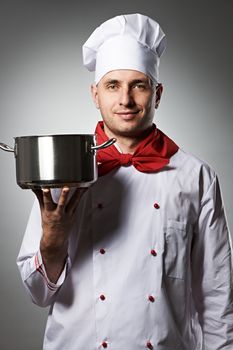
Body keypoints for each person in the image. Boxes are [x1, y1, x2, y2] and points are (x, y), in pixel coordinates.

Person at [17, 13, 233, 350]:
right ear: (95, 94)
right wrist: (53, 240)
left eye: (139, 85)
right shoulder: (63, 172)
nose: (126, 100)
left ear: (157, 94)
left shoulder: (196, 176)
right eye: (113, 85)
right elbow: (38, 294)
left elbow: (217, 292)